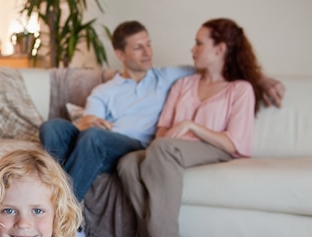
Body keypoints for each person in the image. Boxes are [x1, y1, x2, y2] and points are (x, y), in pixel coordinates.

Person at [39, 20, 285, 204]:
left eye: (148, 45)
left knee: (93, 138)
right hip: (100, 141)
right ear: (120, 55)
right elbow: (89, 121)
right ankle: (53, 206)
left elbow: (222, 67)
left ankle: (60, 216)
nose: (147, 53)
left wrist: (261, 80)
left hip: (136, 145)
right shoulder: (104, 90)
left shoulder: (170, 76)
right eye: (138, 48)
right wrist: (89, 121)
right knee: (52, 127)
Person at [117, 18, 264, 237]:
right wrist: (165, 139)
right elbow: (163, 128)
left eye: (199, 43)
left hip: (216, 150)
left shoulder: (239, 89)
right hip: (172, 150)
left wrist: (193, 127)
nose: (192, 49)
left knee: (163, 149)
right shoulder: (183, 84)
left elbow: (236, 142)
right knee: (128, 162)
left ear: (220, 49)